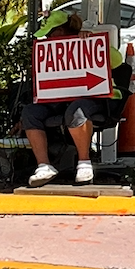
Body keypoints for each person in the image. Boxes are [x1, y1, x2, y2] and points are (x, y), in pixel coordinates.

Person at [20, 11, 127, 187]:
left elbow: (117, 61)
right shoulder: (50, 50)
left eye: (50, 33)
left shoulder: (87, 41)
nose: (47, 37)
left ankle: (84, 163)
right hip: (60, 99)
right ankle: (44, 165)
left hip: (97, 98)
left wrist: (92, 42)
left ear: (61, 31)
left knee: (77, 110)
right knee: (30, 112)